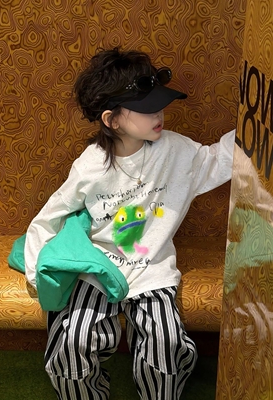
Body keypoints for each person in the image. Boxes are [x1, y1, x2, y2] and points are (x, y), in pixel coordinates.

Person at [24, 47, 235, 400]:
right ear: (112, 120)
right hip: (99, 268)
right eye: (147, 108)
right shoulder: (90, 167)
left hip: (151, 269)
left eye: (160, 104)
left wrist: (259, 122)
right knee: (72, 344)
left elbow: (218, 159)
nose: (159, 114)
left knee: (165, 346)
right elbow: (49, 219)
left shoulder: (176, 151)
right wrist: (36, 275)